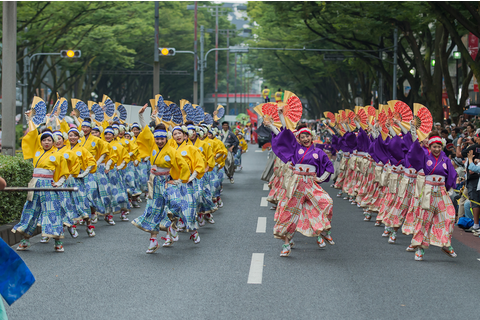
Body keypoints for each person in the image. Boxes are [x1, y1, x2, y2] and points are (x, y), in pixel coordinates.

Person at [264, 107, 335, 257]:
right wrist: (277, 119)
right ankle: (286, 244)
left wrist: (320, 179)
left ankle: (324, 230)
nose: (305, 139)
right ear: (299, 139)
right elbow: (283, 136)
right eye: (302, 137)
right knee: (289, 213)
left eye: (307, 136)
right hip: (296, 183)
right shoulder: (296, 149)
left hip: (310, 184)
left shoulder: (318, 152)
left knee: (326, 202)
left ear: (312, 137)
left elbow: (329, 167)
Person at [12, 115, 70, 252]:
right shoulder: (36, 151)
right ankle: (25, 240)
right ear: (41, 141)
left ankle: (57, 242)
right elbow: (31, 136)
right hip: (35, 185)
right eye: (44, 139)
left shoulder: (57, 155)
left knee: (52, 212)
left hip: (49, 186)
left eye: (49, 140)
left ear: (54, 142)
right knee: (30, 211)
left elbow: (64, 172)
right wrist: (30, 121)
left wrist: (59, 182)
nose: (46, 142)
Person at [461, 132, 480, 233]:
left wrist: (470, 159)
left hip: (474, 181)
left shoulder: (473, 148)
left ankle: (476, 225)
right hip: (475, 181)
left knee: (474, 202)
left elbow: (472, 169)